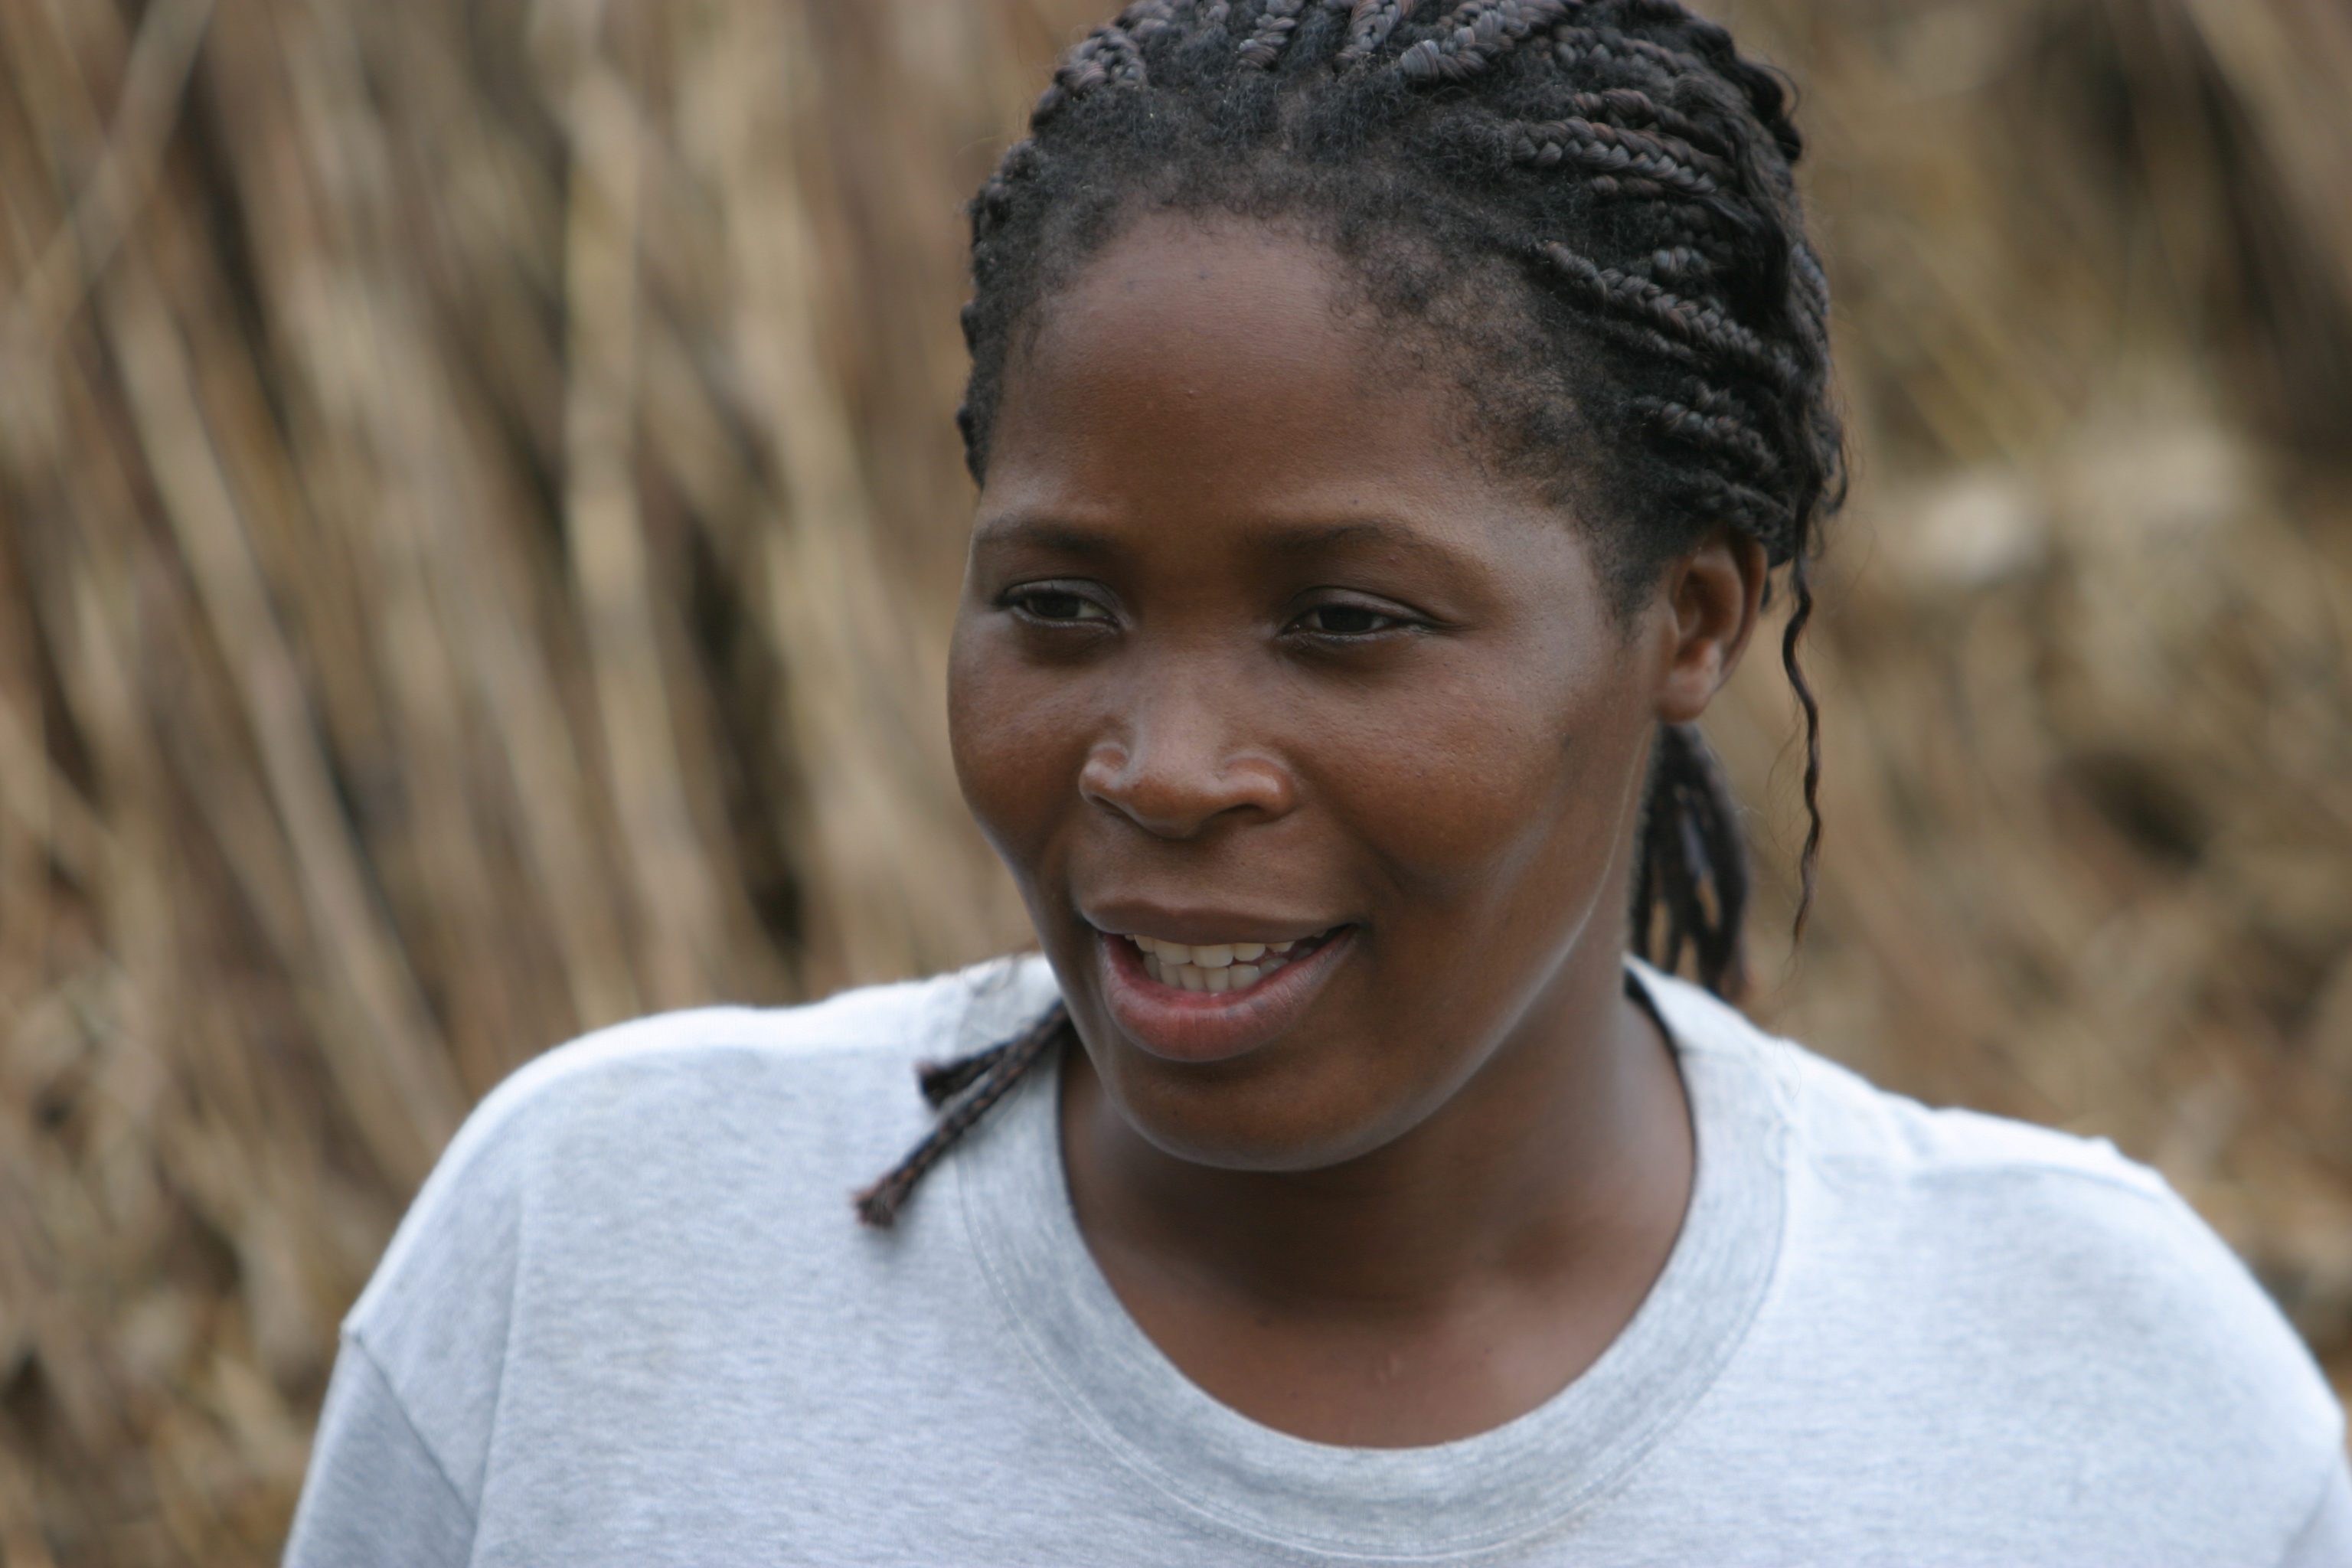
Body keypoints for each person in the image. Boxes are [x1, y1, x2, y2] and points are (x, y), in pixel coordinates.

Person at [284, 2, 2352, 1562]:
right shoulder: (603, 1266)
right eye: (1063, 606)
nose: (1164, 770)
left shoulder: (2100, 1405)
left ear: (1691, 621)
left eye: (1349, 623)